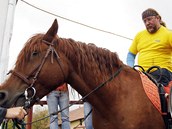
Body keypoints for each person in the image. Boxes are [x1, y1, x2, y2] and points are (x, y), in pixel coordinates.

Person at [126, 8, 172, 87]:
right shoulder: (139, 35)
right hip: (142, 74)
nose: (147, 23)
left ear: (158, 18)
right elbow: (131, 54)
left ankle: (165, 98)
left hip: (162, 73)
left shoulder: (168, 34)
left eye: (149, 19)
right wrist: (131, 68)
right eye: (145, 21)